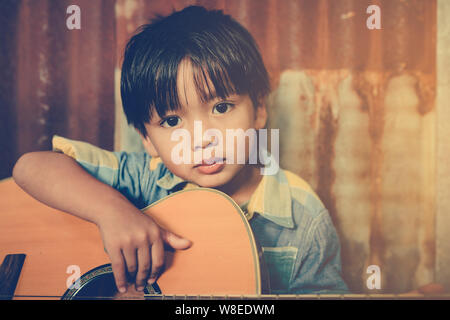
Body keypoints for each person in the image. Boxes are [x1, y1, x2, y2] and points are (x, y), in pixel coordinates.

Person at [12, 5, 349, 295]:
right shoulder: (145, 178)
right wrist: (111, 211)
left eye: (221, 108)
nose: (201, 139)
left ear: (259, 109)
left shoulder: (302, 217)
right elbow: (30, 167)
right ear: (146, 137)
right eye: (172, 121)